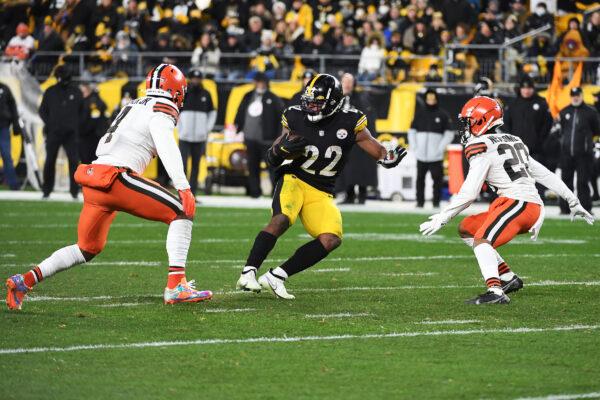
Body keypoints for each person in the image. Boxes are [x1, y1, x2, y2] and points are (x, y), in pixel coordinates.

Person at [6, 64, 212, 310]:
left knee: (87, 247)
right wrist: (183, 186)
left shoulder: (134, 103)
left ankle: (24, 281)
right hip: (117, 177)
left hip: (96, 178)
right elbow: (165, 143)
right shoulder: (161, 107)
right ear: (176, 90)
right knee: (182, 210)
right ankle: (177, 285)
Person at [235, 74, 407, 299]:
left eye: (317, 102)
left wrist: (387, 158)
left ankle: (276, 276)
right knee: (282, 219)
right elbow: (272, 157)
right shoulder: (296, 115)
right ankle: (248, 272)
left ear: (334, 102)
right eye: (309, 100)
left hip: (322, 189)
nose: (310, 106)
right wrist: (280, 151)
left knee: (331, 238)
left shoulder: (351, 121)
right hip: (294, 179)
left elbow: (377, 150)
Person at [419, 96, 594, 305]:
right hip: (521, 204)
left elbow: (470, 193)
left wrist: (443, 216)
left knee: (482, 241)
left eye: (468, 121)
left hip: (520, 204)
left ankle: (495, 291)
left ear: (482, 120)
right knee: (467, 228)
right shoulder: (513, 139)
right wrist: (572, 199)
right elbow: (544, 174)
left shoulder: (480, 146)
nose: (465, 127)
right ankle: (508, 279)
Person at [234, 72, 284, 198]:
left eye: (261, 82)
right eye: (257, 81)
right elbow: (240, 112)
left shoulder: (273, 98)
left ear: (266, 83)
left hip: (268, 139)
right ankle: (255, 192)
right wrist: (237, 127)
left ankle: (275, 192)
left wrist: (278, 136)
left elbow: (281, 118)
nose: (259, 84)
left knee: (272, 167)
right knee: (252, 166)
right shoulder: (248, 96)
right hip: (250, 138)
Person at [39, 65, 84, 199]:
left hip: (71, 134)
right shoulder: (50, 91)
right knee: (50, 160)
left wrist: (75, 125)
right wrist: (50, 124)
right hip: (54, 132)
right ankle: (46, 190)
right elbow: (42, 111)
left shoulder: (76, 92)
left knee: (74, 161)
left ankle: (74, 191)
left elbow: (82, 111)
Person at [408, 89, 454, 208]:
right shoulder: (419, 114)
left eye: (433, 99)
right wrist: (415, 147)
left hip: (436, 156)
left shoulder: (442, 115)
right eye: (429, 99)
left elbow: (449, 133)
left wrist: (440, 148)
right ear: (425, 99)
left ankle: (436, 202)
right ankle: (419, 202)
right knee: (420, 179)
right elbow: (411, 131)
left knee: (437, 180)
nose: (431, 101)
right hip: (421, 155)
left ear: (436, 99)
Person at [557, 87, 600, 214]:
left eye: (577, 95)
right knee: (566, 182)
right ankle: (565, 209)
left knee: (582, 182)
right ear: (570, 96)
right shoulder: (564, 112)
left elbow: (597, 130)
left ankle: (585, 208)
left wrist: (588, 145)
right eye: (573, 95)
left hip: (584, 155)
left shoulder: (591, 112)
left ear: (582, 95)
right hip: (566, 154)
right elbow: (561, 131)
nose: (575, 97)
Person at [338, 73, 378, 204]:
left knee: (361, 167)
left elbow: (368, 119)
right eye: (345, 81)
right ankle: (348, 195)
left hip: (358, 140)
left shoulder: (361, 99)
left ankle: (362, 195)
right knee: (346, 168)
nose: (347, 84)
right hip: (343, 141)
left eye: (350, 81)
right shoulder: (337, 99)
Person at [177, 69, 216, 196]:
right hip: (184, 136)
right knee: (182, 164)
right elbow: (176, 110)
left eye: (198, 78)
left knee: (196, 165)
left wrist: (206, 129)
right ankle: (182, 191)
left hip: (200, 137)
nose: (196, 80)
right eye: (193, 78)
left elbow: (212, 112)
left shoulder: (206, 94)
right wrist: (180, 128)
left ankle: (192, 193)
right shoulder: (184, 93)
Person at [503, 76, 553, 167]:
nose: (526, 91)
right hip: (515, 150)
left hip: (535, 151)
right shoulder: (513, 104)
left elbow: (548, 124)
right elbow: (506, 123)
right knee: (518, 178)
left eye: (529, 88)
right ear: (520, 89)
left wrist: (540, 142)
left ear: (533, 89)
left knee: (535, 178)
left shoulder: (541, 102)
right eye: (524, 88)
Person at [79, 82, 108, 164]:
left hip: (92, 136)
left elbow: (94, 119)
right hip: (90, 135)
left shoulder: (93, 101)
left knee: (89, 160)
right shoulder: (89, 100)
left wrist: (82, 131)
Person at [0, 82, 22, 190]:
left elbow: (13, 106)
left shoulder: (4, 88)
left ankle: (13, 184)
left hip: (3, 127)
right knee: (6, 155)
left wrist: (15, 123)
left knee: (6, 155)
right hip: (3, 127)